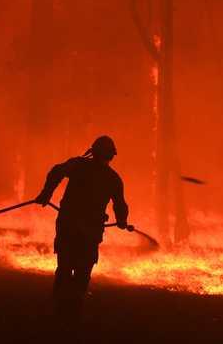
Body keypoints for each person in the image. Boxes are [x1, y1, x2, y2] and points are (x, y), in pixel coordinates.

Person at [35, 135, 129, 322]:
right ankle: (71, 311)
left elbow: (56, 172)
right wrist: (121, 221)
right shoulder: (112, 178)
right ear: (111, 156)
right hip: (86, 230)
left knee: (67, 267)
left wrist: (46, 193)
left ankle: (62, 311)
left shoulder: (79, 166)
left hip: (71, 226)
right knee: (81, 270)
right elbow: (120, 205)